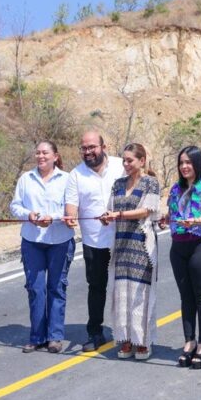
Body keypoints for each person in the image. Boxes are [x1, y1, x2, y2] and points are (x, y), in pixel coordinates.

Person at [160, 146, 201, 369]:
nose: (184, 166)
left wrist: (195, 221)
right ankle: (189, 341)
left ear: (198, 163)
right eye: (181, 163)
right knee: (185, 296)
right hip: (178, 246)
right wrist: (166, 219)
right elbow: (173, 213)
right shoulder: (175, 189)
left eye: (188, 162)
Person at [10, 141, 76, 354]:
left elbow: (71, 209)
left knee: (56, 288)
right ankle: (37, 336)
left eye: (45, 153)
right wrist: (28, 215)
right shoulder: (25, 179)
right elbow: (15, 206)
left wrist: (52, 218)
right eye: (37, 153)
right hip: (32, 241)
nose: (40, 156)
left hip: (60, 241)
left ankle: (55, 337)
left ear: (55, 156)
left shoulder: (67, 179)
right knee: (35, 289)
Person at [64, 130, 125, 352]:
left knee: (124, 287)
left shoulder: (121, 166)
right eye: (84, 148)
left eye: (92, 147)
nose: (88, 152)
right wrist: (70, 217)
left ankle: (128, 333)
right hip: (94, 242)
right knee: (96, 287)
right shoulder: (75, 175)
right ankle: (95, 333)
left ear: (103, 147)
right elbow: (71, 205)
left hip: (123, 238)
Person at [99, 143, 161, 360]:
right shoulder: (117, 184)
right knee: (121, 293)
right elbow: (111, 209)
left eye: (130, 160)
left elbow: (147, 210)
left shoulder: (150, 183)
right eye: (124, 160)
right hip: (121, 245)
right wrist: (106, 217)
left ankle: (142, 341)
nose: (125, 164)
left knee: (140, 294)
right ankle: (125, 339)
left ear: (141, 161)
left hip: (141, 245)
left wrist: (119, 215)